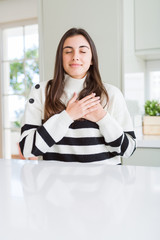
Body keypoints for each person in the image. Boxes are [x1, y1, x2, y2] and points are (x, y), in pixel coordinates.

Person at [19, 28, 136, 164]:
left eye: (83, 51)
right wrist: (67, 117)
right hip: (54, 184)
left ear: (92, 59)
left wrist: (102, 118)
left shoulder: (111, 94)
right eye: (68, 51)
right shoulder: (41, 91)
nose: (75, 56)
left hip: (105, 184)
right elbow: (27, 149)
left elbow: (128, 150)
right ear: (60, 58)